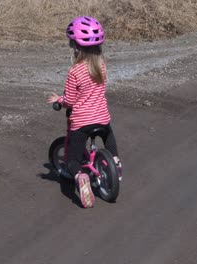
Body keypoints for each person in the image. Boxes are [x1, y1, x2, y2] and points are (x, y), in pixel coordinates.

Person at [48, 16, 122, 208]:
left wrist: (59, 100)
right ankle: (114, 161)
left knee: (72, 160)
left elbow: (70, 100)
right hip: (102, 119)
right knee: (108, 134)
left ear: (76, 47)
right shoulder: (101, 66)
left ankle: (81, 177)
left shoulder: (75, 71)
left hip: (82, 123)